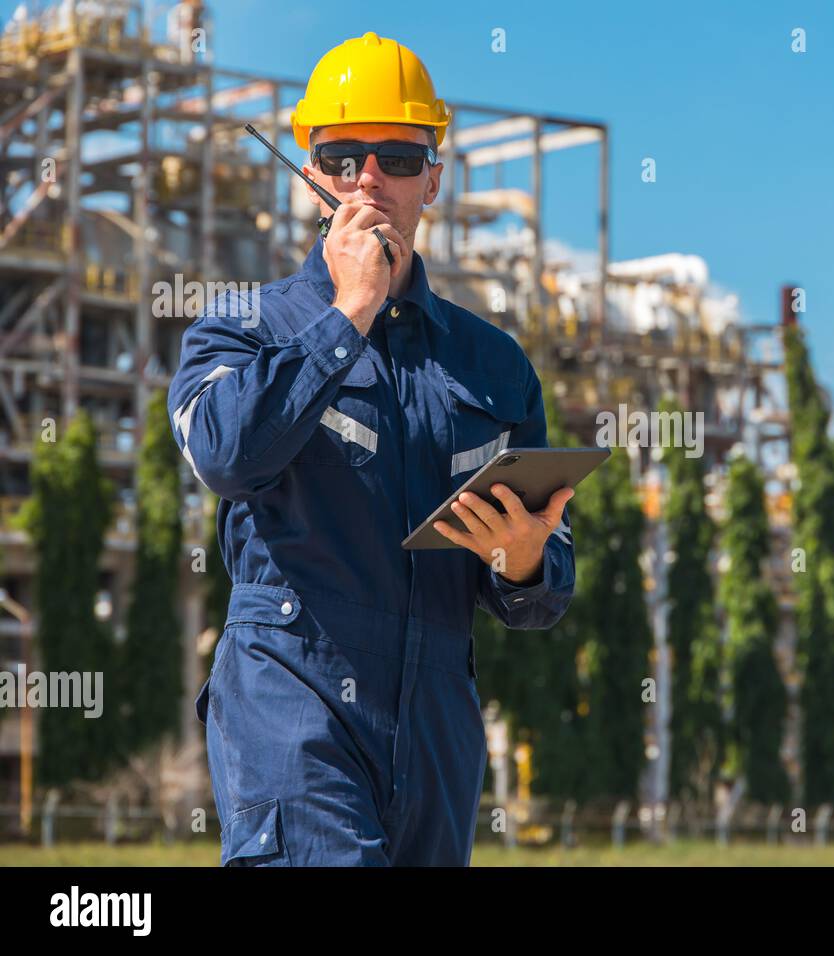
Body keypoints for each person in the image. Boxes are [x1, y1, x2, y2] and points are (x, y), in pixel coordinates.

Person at [167, 31, 576, 866]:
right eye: (344, 155)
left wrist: (526, 562)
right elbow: (224, 456)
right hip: (292, 699)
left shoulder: (493, 365)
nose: (369, 180)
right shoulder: (241, 329)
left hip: (436, 728)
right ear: (311, 172)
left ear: (435, 173)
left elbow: (541, 598)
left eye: (397, 156)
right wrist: (346, 315)